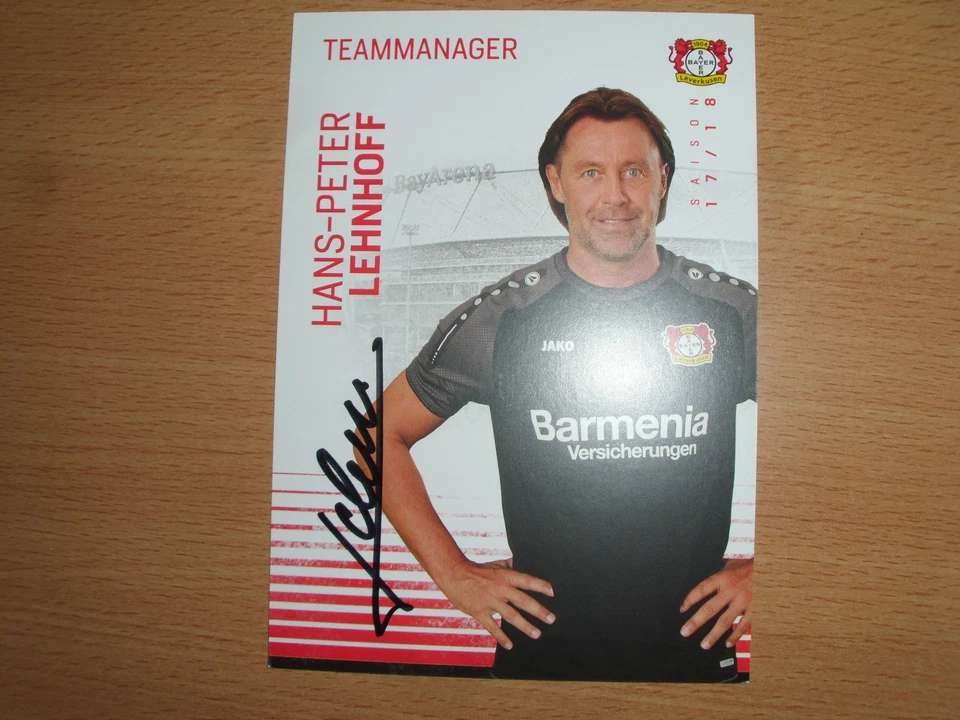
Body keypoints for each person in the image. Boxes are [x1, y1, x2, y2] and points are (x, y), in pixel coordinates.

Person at [378, 87, 756, 682]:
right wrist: (454, 576)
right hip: (543, 660)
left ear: (662, 179)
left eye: (634, 170)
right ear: (556, 183)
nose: (616, 195)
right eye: (590, 172)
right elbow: (378, 436)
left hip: (696, 660)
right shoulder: (503, 318)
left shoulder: (732, 313)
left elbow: (841, 433)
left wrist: (773, 569)